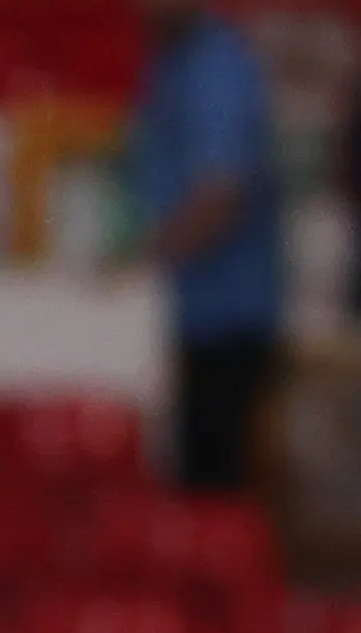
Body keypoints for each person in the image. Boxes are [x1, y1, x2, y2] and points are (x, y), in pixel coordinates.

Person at [128, 5, 285, 493]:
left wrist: (141, 264)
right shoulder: (167, 59)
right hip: (182, 315)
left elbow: (220, 196)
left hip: (223, 320)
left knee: (211, 488)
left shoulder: (216, 67)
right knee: (184, 475)